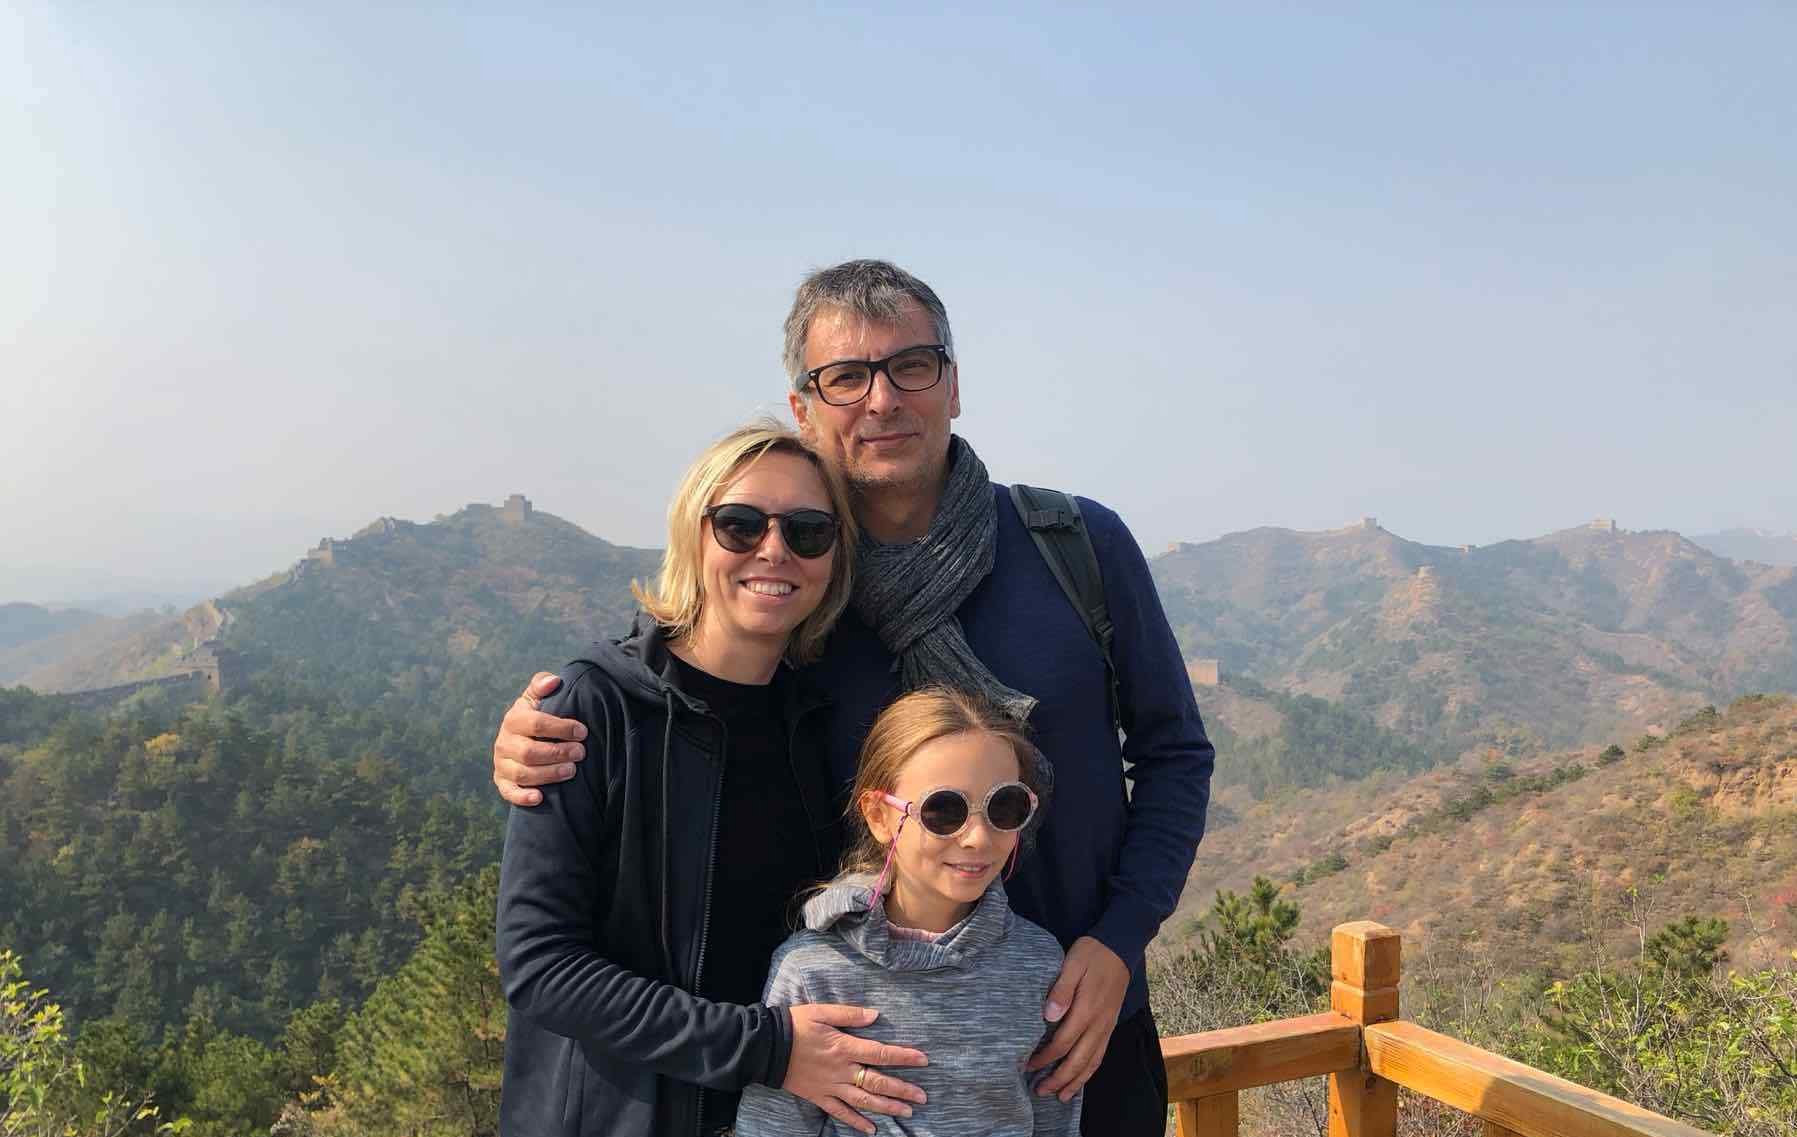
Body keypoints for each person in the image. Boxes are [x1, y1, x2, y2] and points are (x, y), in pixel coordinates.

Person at [494, 260, 1215, 1137]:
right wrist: (555, 719)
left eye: (911, 365)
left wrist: (1118, 939)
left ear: (953, 384)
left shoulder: (1075, 545)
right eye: (845, 376)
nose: (882, 399)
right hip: (869, 1067)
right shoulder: (803, 599)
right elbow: (690, 676)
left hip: (1080, 1029)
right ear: (805, 408)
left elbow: (1175, 755)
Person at [495, 423, 930, 1137]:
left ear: (833, 558)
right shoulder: (595, 709)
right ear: (693, 536)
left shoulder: (818, 725)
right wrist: (768, 1049)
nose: (774, 549)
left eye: (807, 531)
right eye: (740, 524)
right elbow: (540, 964)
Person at [732, 686, 1081, 1136]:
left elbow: (1055, 1121)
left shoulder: (1038, 963)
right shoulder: (813, 970)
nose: (978, 837)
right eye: (944, 811)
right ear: (879, 816)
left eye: (1005, 807)